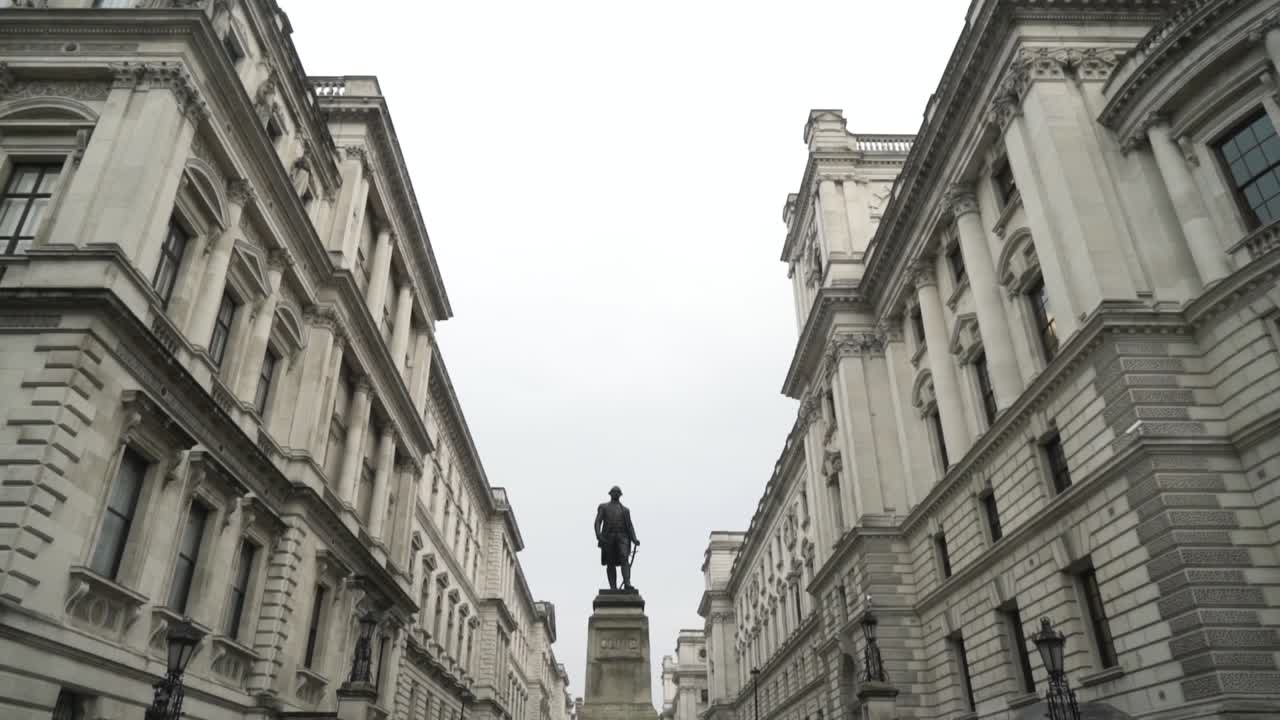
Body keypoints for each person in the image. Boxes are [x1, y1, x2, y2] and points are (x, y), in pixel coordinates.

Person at [593, 485, 640, 590]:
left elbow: (630, 526)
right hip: (608, 538)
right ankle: (613, 587)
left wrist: (634, 539)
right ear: (610, 494)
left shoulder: (625, 510)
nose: (616, 494)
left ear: (620, 495)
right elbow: (597, 522)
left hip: (623, 537)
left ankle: (627, 583)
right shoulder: (603, 507)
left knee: (624, 557)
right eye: (614, 492)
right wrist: (598, 534)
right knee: (610, 562)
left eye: (618, 492)